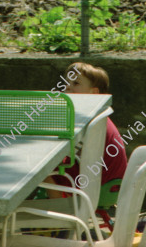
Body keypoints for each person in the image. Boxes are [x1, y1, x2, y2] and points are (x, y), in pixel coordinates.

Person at [46, 62, 127, 198]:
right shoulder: (95, 114)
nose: (67, 86)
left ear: (94, 93)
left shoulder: (87, 120)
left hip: (99, 184)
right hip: (107, 181)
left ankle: (59, 209)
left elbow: (64, 156)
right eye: (67, 82)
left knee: (39, 171)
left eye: (76, 83)